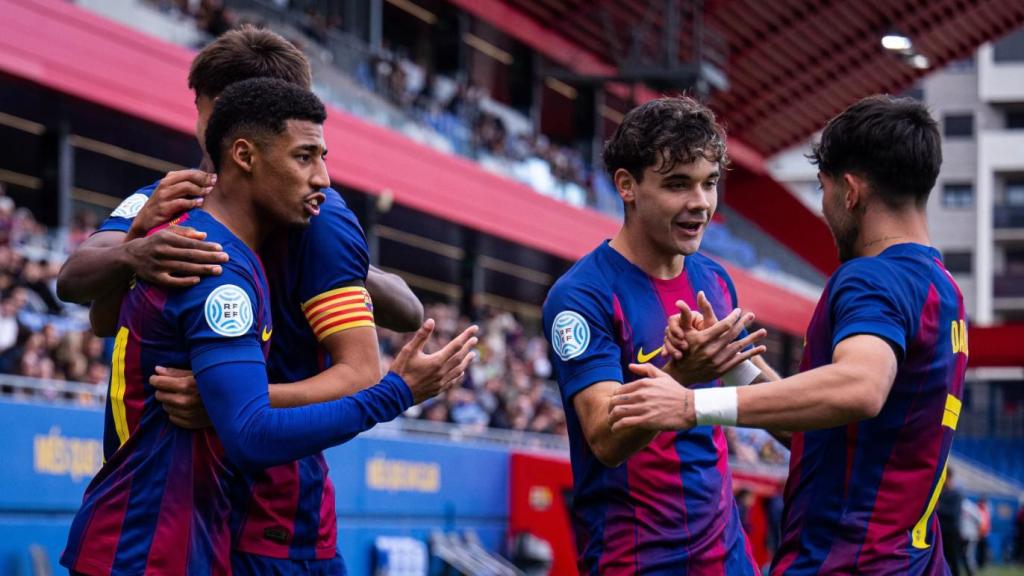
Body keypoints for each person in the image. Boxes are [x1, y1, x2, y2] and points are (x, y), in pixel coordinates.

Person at [60, 78, 477, 576]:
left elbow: (103, 317)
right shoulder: (215, 264)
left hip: (179, 534)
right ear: (243, 149)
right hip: (151, 546)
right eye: (305, 157)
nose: (322, 177)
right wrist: (397, 393)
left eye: (322, 157)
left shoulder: (196, 231)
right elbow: (252, 431)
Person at [609, 95, 967, 574]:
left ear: (850, 192)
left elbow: (860, 388)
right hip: (914, 560)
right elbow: (824, 426)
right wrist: (731, 362)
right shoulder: (942, 289)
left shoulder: (870, 278)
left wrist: (691, 405)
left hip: (845, 561)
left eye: (822, 189)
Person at [542, 96, 771, 575]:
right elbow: (605, 439)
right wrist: (683, 373)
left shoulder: (715, 280)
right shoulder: (581, 297)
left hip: (727, 556)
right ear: (627, 185)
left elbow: (763, 393)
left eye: (710, 184)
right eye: (677, 185)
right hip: (635, 560)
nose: (701, 204)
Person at [938, 468, 965, 576]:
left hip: (952, 534)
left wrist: (939, 507)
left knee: (953, 561)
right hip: (941, 532)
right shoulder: (940, 493)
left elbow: (953, 513)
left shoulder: (956, 494)